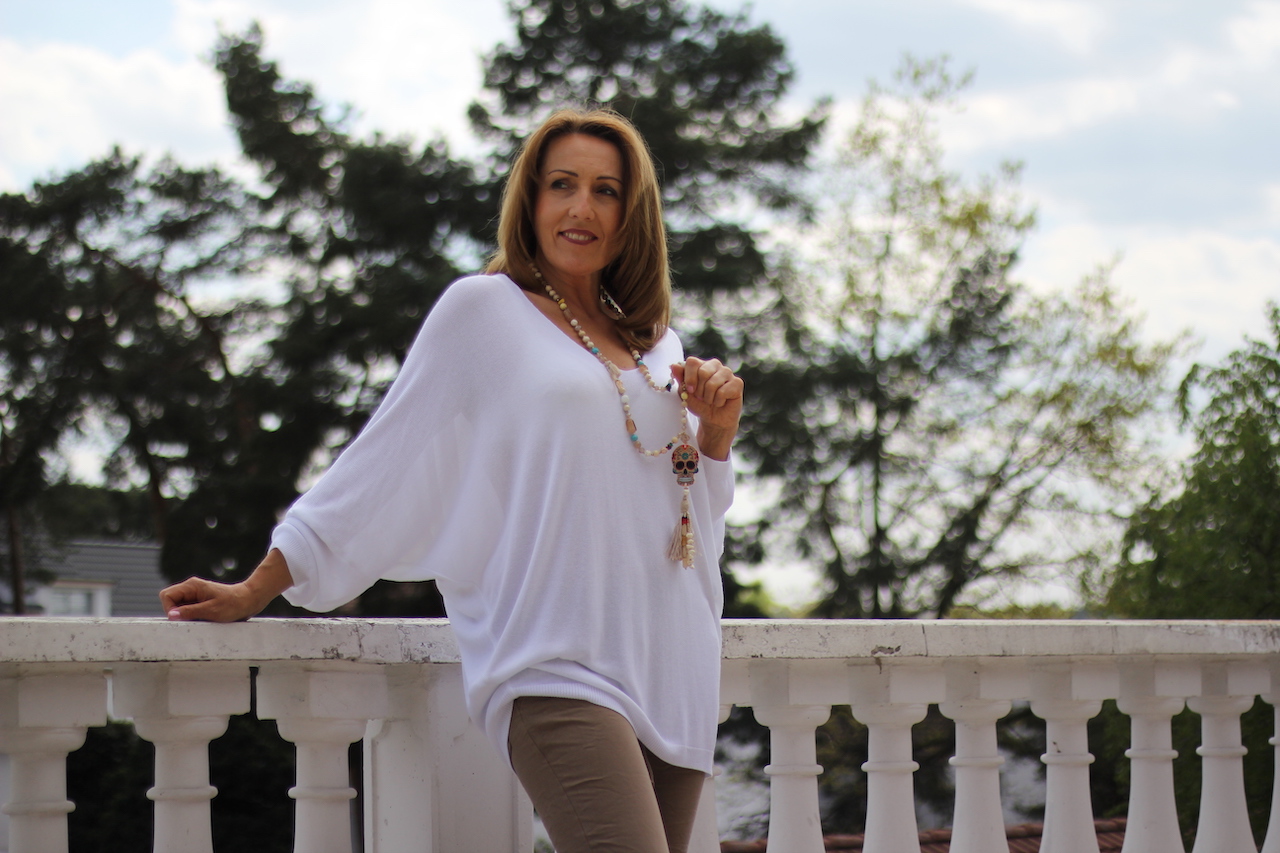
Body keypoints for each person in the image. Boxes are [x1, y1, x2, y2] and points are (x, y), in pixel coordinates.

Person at [160, 108, 743, 853]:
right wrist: (258, 585)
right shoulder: (483, 310)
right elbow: (382, 460)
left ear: (633, 215)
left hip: (672, 663)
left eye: (606, 191)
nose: (581, 208)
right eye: (561, 185)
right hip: (557, 664)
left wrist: (715, 435)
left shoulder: (659, 344)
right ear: (530, 200)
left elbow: (690, 521)